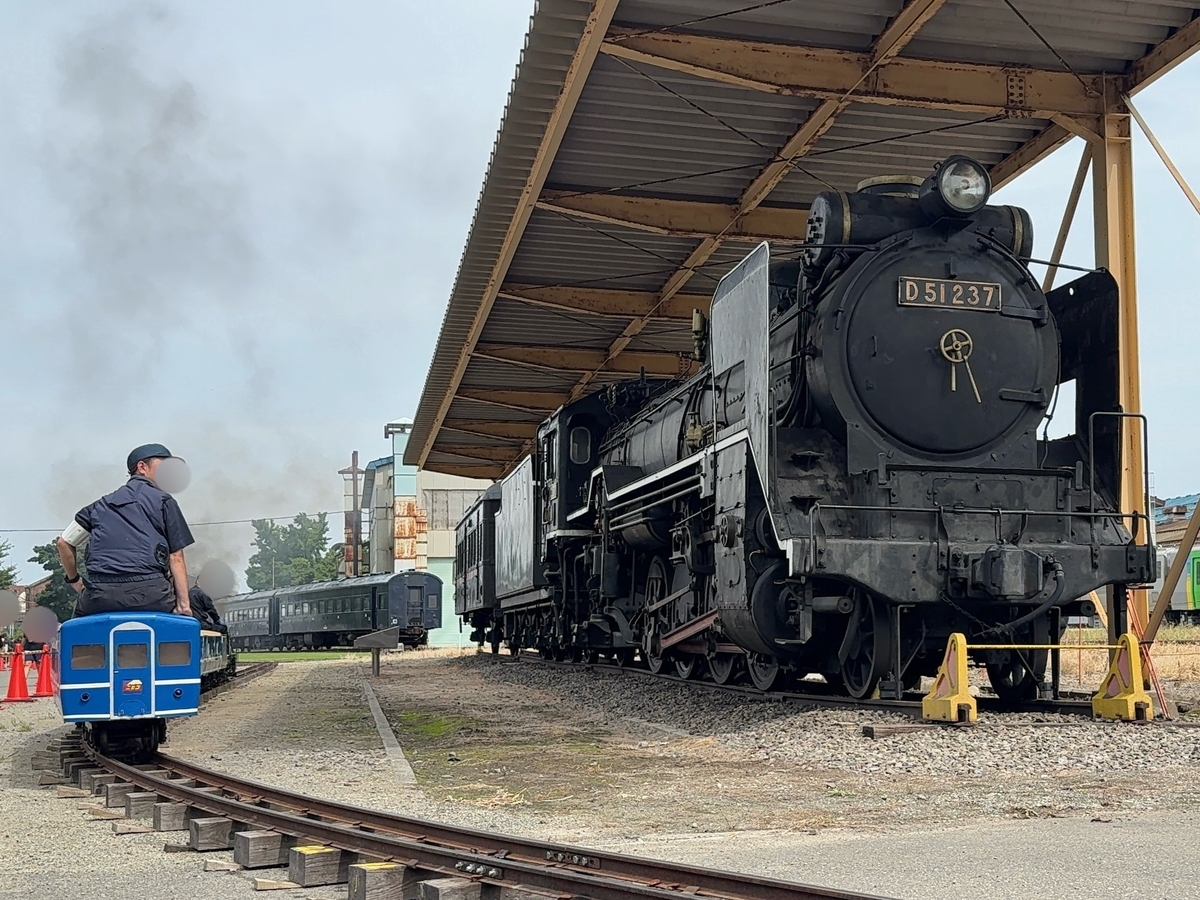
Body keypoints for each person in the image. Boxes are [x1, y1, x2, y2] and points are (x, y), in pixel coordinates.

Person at [56, 443, 194, 617]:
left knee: (77, 634)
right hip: (152, 595)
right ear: (142, 467)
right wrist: (183, 605)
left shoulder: (100, 506)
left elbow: (63, 542)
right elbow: (176, 557)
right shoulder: (164, 502)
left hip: (100, 597)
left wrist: (74, 580)